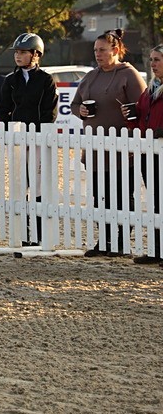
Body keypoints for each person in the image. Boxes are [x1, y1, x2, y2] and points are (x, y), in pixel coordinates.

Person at [74, 29, 147, 256]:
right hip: (95, 151)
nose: (98, 54)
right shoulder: (91, 75)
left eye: (102, 50)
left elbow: (143, 106)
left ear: (115, 50)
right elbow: (75, 105)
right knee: (98, 198)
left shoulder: (129, 74)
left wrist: (131, 112)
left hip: (123, 152)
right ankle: (105, 240)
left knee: (123, 197)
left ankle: (122, 241)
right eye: (96, 50)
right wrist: (81, 111)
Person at [0, 33, 58, 246]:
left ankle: (39, 235)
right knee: (20, 186)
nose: (18, 56)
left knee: (38, 188)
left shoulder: (46, 80)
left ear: (35, 54)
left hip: (39, 140)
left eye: (23, 52)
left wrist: (39, 135)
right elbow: (3, 109)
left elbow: (50, 111)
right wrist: (7, 134)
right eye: (17, 53)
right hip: (17, 141)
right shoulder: (10, 81)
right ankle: (23, 234)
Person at [126, 44, 163, 265]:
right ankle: (157, 249)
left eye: (157, 59)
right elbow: (141, 116)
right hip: (148, 152)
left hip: (160, 149)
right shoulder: (149, 90)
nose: (152, 64)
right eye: (151, 59)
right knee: (155, 201)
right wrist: (131, 115)